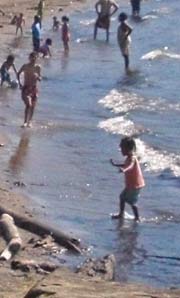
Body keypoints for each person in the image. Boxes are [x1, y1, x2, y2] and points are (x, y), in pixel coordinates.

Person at [110, 137, 145, 221]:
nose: (121, 150)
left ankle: (137, 217)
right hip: (131, 184)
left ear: (129, 149)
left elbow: (130, 166)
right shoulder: (128, 158)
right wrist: (116, 165)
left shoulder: (132, 158)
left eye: (122, 148)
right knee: (122, 197)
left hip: (135, 185)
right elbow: (126, 164)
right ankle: (121, 214)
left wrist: (124, 169)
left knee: (131, 201)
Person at [17, 52, 41, 128]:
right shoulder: (25, 66)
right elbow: (18, 73)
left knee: (33, 106)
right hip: (26, 88)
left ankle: (29, 122)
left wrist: (38, 77)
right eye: (32, 58)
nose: (33, 59)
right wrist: (20, 84)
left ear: (37, 58)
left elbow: (40, 78)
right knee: (28, 105)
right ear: (29, 58)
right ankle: (25, 122)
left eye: (35, 58)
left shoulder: (38, 67)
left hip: (34, 88)